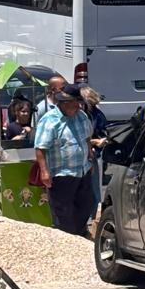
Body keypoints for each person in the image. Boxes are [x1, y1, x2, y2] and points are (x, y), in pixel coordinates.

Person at [33, 88, 96, 236]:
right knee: (63, 212)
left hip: (82, 170)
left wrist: (90, 155)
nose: (77, 108)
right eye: (74, 105)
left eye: (78, 104)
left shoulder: (81, 116)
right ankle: (69, 239)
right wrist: (44, 171)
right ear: (64, 103)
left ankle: (79, 233)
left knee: (88, 203)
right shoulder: (50, 120)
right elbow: (40, 148)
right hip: (62, 173)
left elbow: (87, 137)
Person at [78, 86, 111, 204]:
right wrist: (95, 142)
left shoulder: (96, 114)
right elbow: (76, 139)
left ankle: (95, 217)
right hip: (79, 156)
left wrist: (103, 140)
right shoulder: (77, 116)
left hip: (94, 155)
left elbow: (104, 130)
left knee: (95, 188)